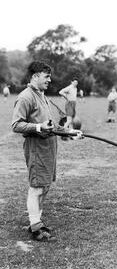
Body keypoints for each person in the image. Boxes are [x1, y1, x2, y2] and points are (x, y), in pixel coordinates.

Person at [11, 61, 83, 242]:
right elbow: (16, 125)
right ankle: (35, 226)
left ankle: (37, 221)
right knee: (36, 187)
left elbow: (51, 124)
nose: (50, 80)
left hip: (49, 147)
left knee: (44, 185)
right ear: (35, 76)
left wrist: (71, 132)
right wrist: (38, 127)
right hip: (36, 148)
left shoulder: (42, 95)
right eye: (46, 76)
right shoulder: (25, 97)